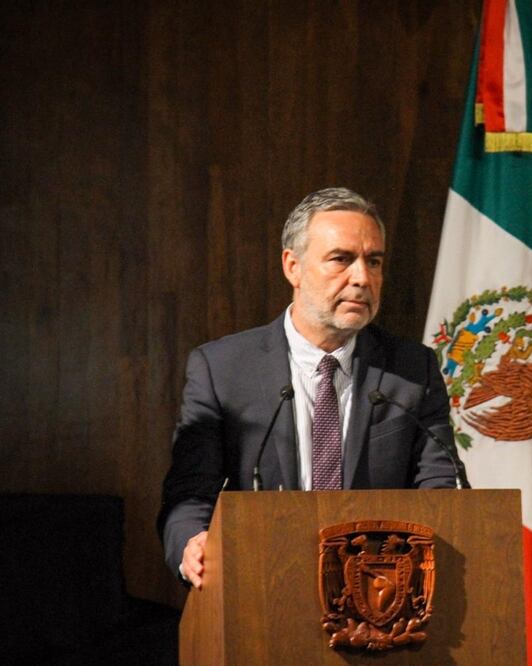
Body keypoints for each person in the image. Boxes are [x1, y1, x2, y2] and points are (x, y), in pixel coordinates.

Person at [157, 187, 460, 587]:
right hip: (262, 587)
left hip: (379, 596)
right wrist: (192, 544)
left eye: (374, 261)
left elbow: (442, 486)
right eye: (341, 259)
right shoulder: (223, 369)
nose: (362, 278)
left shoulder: (411, 370)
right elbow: (190, 494)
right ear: (292, 267)